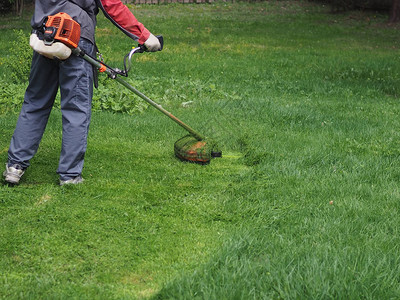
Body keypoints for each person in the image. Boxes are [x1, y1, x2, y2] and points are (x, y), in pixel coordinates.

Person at [3, 0, 161, 186]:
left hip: (44, 34)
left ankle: (14, 167)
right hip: (75, 35)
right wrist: (146, 37)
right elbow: (111, 5)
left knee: (35, 102)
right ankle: (69, 176)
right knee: (76, 109)